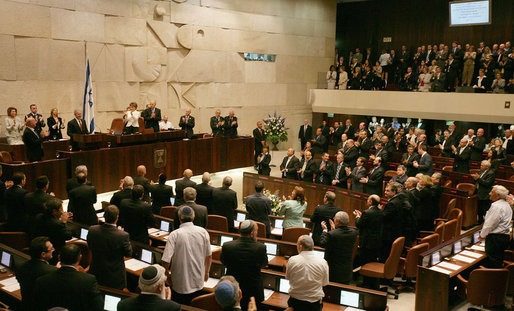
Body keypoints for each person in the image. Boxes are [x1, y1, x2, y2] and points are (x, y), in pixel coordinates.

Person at [162, 206, 212, 305]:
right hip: (198, 282)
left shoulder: (174, 234)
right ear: (193, 217)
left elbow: (166, 260)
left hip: (179, 284)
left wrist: (167, 275)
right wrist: (206, 272)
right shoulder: (203, 232)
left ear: (179, 218)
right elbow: (209, 256)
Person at [34, 244, 103, 311]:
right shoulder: (89, 280)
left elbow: (36, 307)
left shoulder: (41, 281)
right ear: (79, 258)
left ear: (59, 258)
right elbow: (98, 307)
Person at [221, 220, 268, 310]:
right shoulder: (260, 247)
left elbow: (224, 262)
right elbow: (263, 264)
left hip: (233, 288)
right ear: (252, 233)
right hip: (253, 291)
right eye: (256, 231)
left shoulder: (227, 246)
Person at [87, 205, 132, 290]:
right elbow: (128, 253)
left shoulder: (92, 230)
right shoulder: (123, 235)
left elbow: (89, 245)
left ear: (104, 216)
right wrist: (121, 234)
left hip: (96, 271)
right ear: (117, 218)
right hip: (114, 275)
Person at [286, 235, 329, 311]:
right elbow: (324, 283)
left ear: (301, 247)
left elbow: (288, 278)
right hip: (314, 305)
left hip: (295, 303)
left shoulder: (292, 260)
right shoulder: (323, 262)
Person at [16, 236, 57, 311]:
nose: (54, 250)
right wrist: (58, 270)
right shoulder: (52, 272)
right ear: (43, 254)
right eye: (51, 249)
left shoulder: (21, 267)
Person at [319, 211, 357, 284]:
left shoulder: (332, 234)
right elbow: (340, 238)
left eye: (334, 218)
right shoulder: (354, 233)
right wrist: (334, 230)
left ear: (338, 222)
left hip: (333, 269)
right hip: (346, 269)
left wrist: (324, 231)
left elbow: (322, 243)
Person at [480, 186, 512, 268]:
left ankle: (493, 279)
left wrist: (482, 235)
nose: (489, 193)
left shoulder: (496, 206)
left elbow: (490, 224)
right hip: (504, 237)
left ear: (498, 196)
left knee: (493, 263)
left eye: (492, 192)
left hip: (495, 239)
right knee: (498, 259)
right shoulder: (506, 204)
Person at [34, 198, 72, 264]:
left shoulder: (38, 217)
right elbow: (68, 236)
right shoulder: (57, 224)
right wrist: (64, 222)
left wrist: (59, 220)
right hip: (54, 253)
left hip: (40, 248)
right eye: (61, 209)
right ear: (54, 211)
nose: (62, 211)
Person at [354, 195, 383, 265]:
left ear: (371, 202)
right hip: (376, 242)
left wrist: (357, 216)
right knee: (372, 261)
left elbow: (359, 224)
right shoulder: (382, 212)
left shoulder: (366, 212)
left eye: (368, 200)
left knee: (364, 262)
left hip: (366, 242)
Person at [381, 183, 404, 260]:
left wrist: (379, 211)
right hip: (396, 228)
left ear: (394, 192)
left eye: (388, 191)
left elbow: (385, 216)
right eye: (385, 190)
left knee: (386, 250)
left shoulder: (392, 203)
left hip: (390, 230)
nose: (385, 192)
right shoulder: (398, 199)